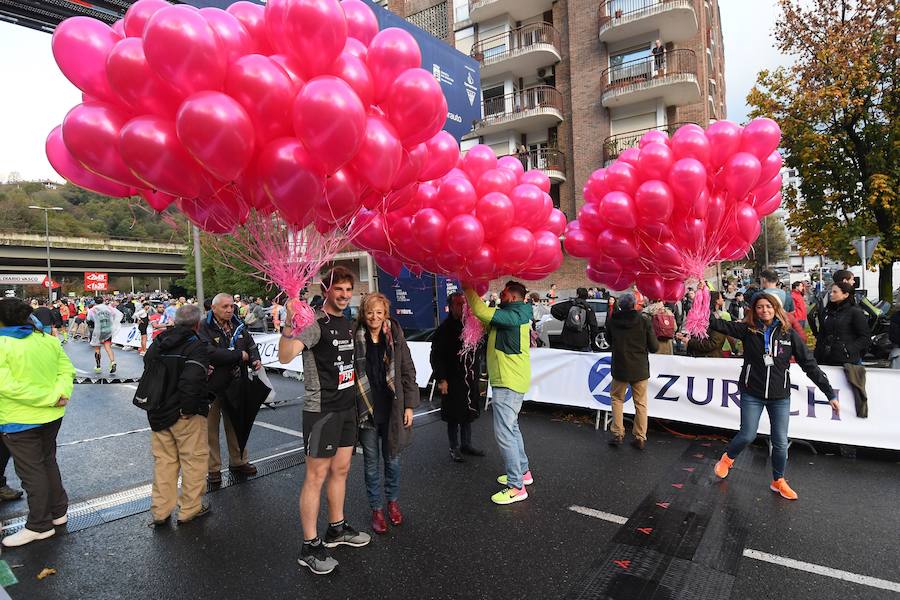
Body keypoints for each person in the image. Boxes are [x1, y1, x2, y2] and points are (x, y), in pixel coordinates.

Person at [279, 267, 370, 575]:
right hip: (322, 410)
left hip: (347, 408)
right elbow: (285, 355)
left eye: (348, 290)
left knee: (341, 470)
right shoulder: (314, 323)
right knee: (316, 477)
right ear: (326, 289)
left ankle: (336, 529)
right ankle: (309, 546)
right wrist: (289, 321)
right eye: (339, 289)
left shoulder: (348, 321)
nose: (344, 295)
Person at [709, 292, 838, 500]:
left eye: (768, 306)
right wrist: (701, 300)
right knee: (748, 434)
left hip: (780, 396)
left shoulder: (788, 334)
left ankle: (778, 480)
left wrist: (829, 393)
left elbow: (809, 365)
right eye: (760, 307)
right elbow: (717, 324)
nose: (764, 310)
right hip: (752, 393)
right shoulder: (747, 330)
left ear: (776, 308)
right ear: (754, 310)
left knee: (779, 441)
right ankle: (727, 458)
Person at [0, 298, 75, 547]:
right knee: (48, 463)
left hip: (18, 420)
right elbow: (67, 371)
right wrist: (59, 395)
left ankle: (39, 525)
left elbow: (6, 386)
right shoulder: (48, 340)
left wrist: (49, 398)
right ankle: (58, 512)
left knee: (32, 473)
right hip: (52, 417)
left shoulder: (3, 344)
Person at [463, 280, 534, 505]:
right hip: (510, 381)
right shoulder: (514, 313)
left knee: (504, 433)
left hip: (509, 382)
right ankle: (523, 473)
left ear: (512, 297)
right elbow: (485, 319)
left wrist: (468, 287)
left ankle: (516, 486)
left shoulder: (515, 316)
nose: (499, 296)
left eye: (503, 294)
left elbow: (481, 310)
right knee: (511, 429)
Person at [353, 293, 418, 535]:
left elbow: (407, 370)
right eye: (370, 312)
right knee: (371, 464)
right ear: (364, 313)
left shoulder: (396, 335)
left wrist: (409, 405)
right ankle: (376, 509)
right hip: (366, 409)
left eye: (379, 312)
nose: (374, 317)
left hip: (392, 408)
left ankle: (392, 502)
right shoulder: (355, 335)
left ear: (385, 314)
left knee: (393, 460)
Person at [144, 304, 212, 527]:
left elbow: (150, 369)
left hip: (158, 411)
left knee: (164, 463)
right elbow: (190, 380)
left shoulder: (159, 342)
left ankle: (160, 511)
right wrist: (188, 408)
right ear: (197, 324)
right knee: (193, 462)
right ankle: (189, 509)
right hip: (185, 414)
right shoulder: (196, 346)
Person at [198, 293, 259, 484]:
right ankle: (213, 469)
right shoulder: (203, 326)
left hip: (236, 383)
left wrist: (255, 358)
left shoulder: (238, 324)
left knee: (237, 425)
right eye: (225, 307)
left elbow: (250, 345)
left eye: (231, 306)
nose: (229, 310)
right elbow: (209, 352)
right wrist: (238, 355)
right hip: (213, 386)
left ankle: (239, 461)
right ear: (213, 308)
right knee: (210, 430)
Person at [431, 292, 484, 463]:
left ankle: (466, 444)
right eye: (458, 304)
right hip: (452, 379)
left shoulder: (472, 326)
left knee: (467, 412)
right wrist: (441, 379)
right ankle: (453, 447)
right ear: (451, 306)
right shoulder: (444, 329)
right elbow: (436, 356)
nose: (462, 307)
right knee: (453, 415)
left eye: (464, 304)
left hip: (469, 378)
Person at [606, 293, 658, 449]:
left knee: (616, 399)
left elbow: (609, 341)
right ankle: (640, 436)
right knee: (641, 403)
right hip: (640, 366)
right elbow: (654, 347)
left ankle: (617, 433)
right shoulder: (644, 321)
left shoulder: (612, 320)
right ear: (635, 305)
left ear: (620, 305)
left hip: (620, 365)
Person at [813, 281, 871, 366]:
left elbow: (865, 337)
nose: (831, 294)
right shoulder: (827, 311)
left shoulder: (854, 312)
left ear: (845, 295)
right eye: (831, 292)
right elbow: (822, 333)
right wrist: (818, 350)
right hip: (824, 358)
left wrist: (848, 349)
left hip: (846, 360)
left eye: (835, 292)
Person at [551, 287, 599, 352]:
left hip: (568, 338)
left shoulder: (569, 304)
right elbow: (593, 325)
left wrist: (563, 318)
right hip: (582, 338)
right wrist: (593, 340)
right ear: (586, 296)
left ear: (577, 295)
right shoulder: (588, 308)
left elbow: (554, 308)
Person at [87, 297, 122, 374]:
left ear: (95, 302)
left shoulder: (93, 309)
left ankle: (98, 366)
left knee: (97, 348)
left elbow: (89, 318)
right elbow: (116, 315)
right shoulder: (109, 308)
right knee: (108, 347)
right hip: (108, 329)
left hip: (99, 330)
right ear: (103, 301)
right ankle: (113, 362)